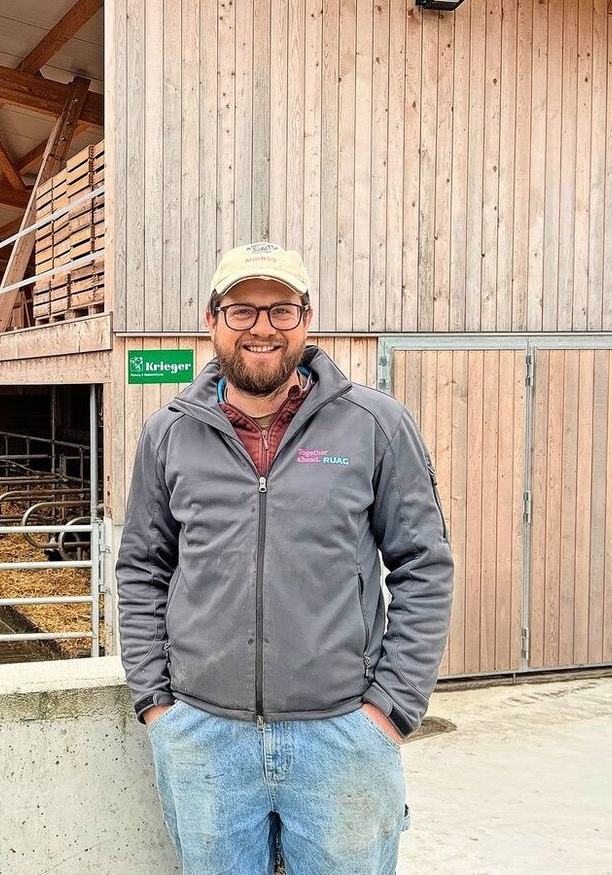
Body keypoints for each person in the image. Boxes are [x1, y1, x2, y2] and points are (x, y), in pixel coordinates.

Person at [117, 242, 454, 874]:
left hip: (342, 735)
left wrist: (392, 708)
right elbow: (142, 567)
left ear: (306, 320)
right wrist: (157, 703)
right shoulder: (167, 433)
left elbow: (424, 564)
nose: (262, 328)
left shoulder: (375, 426)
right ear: (213, 320)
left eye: (282, 309)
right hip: (203, 736)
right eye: (242, 311)